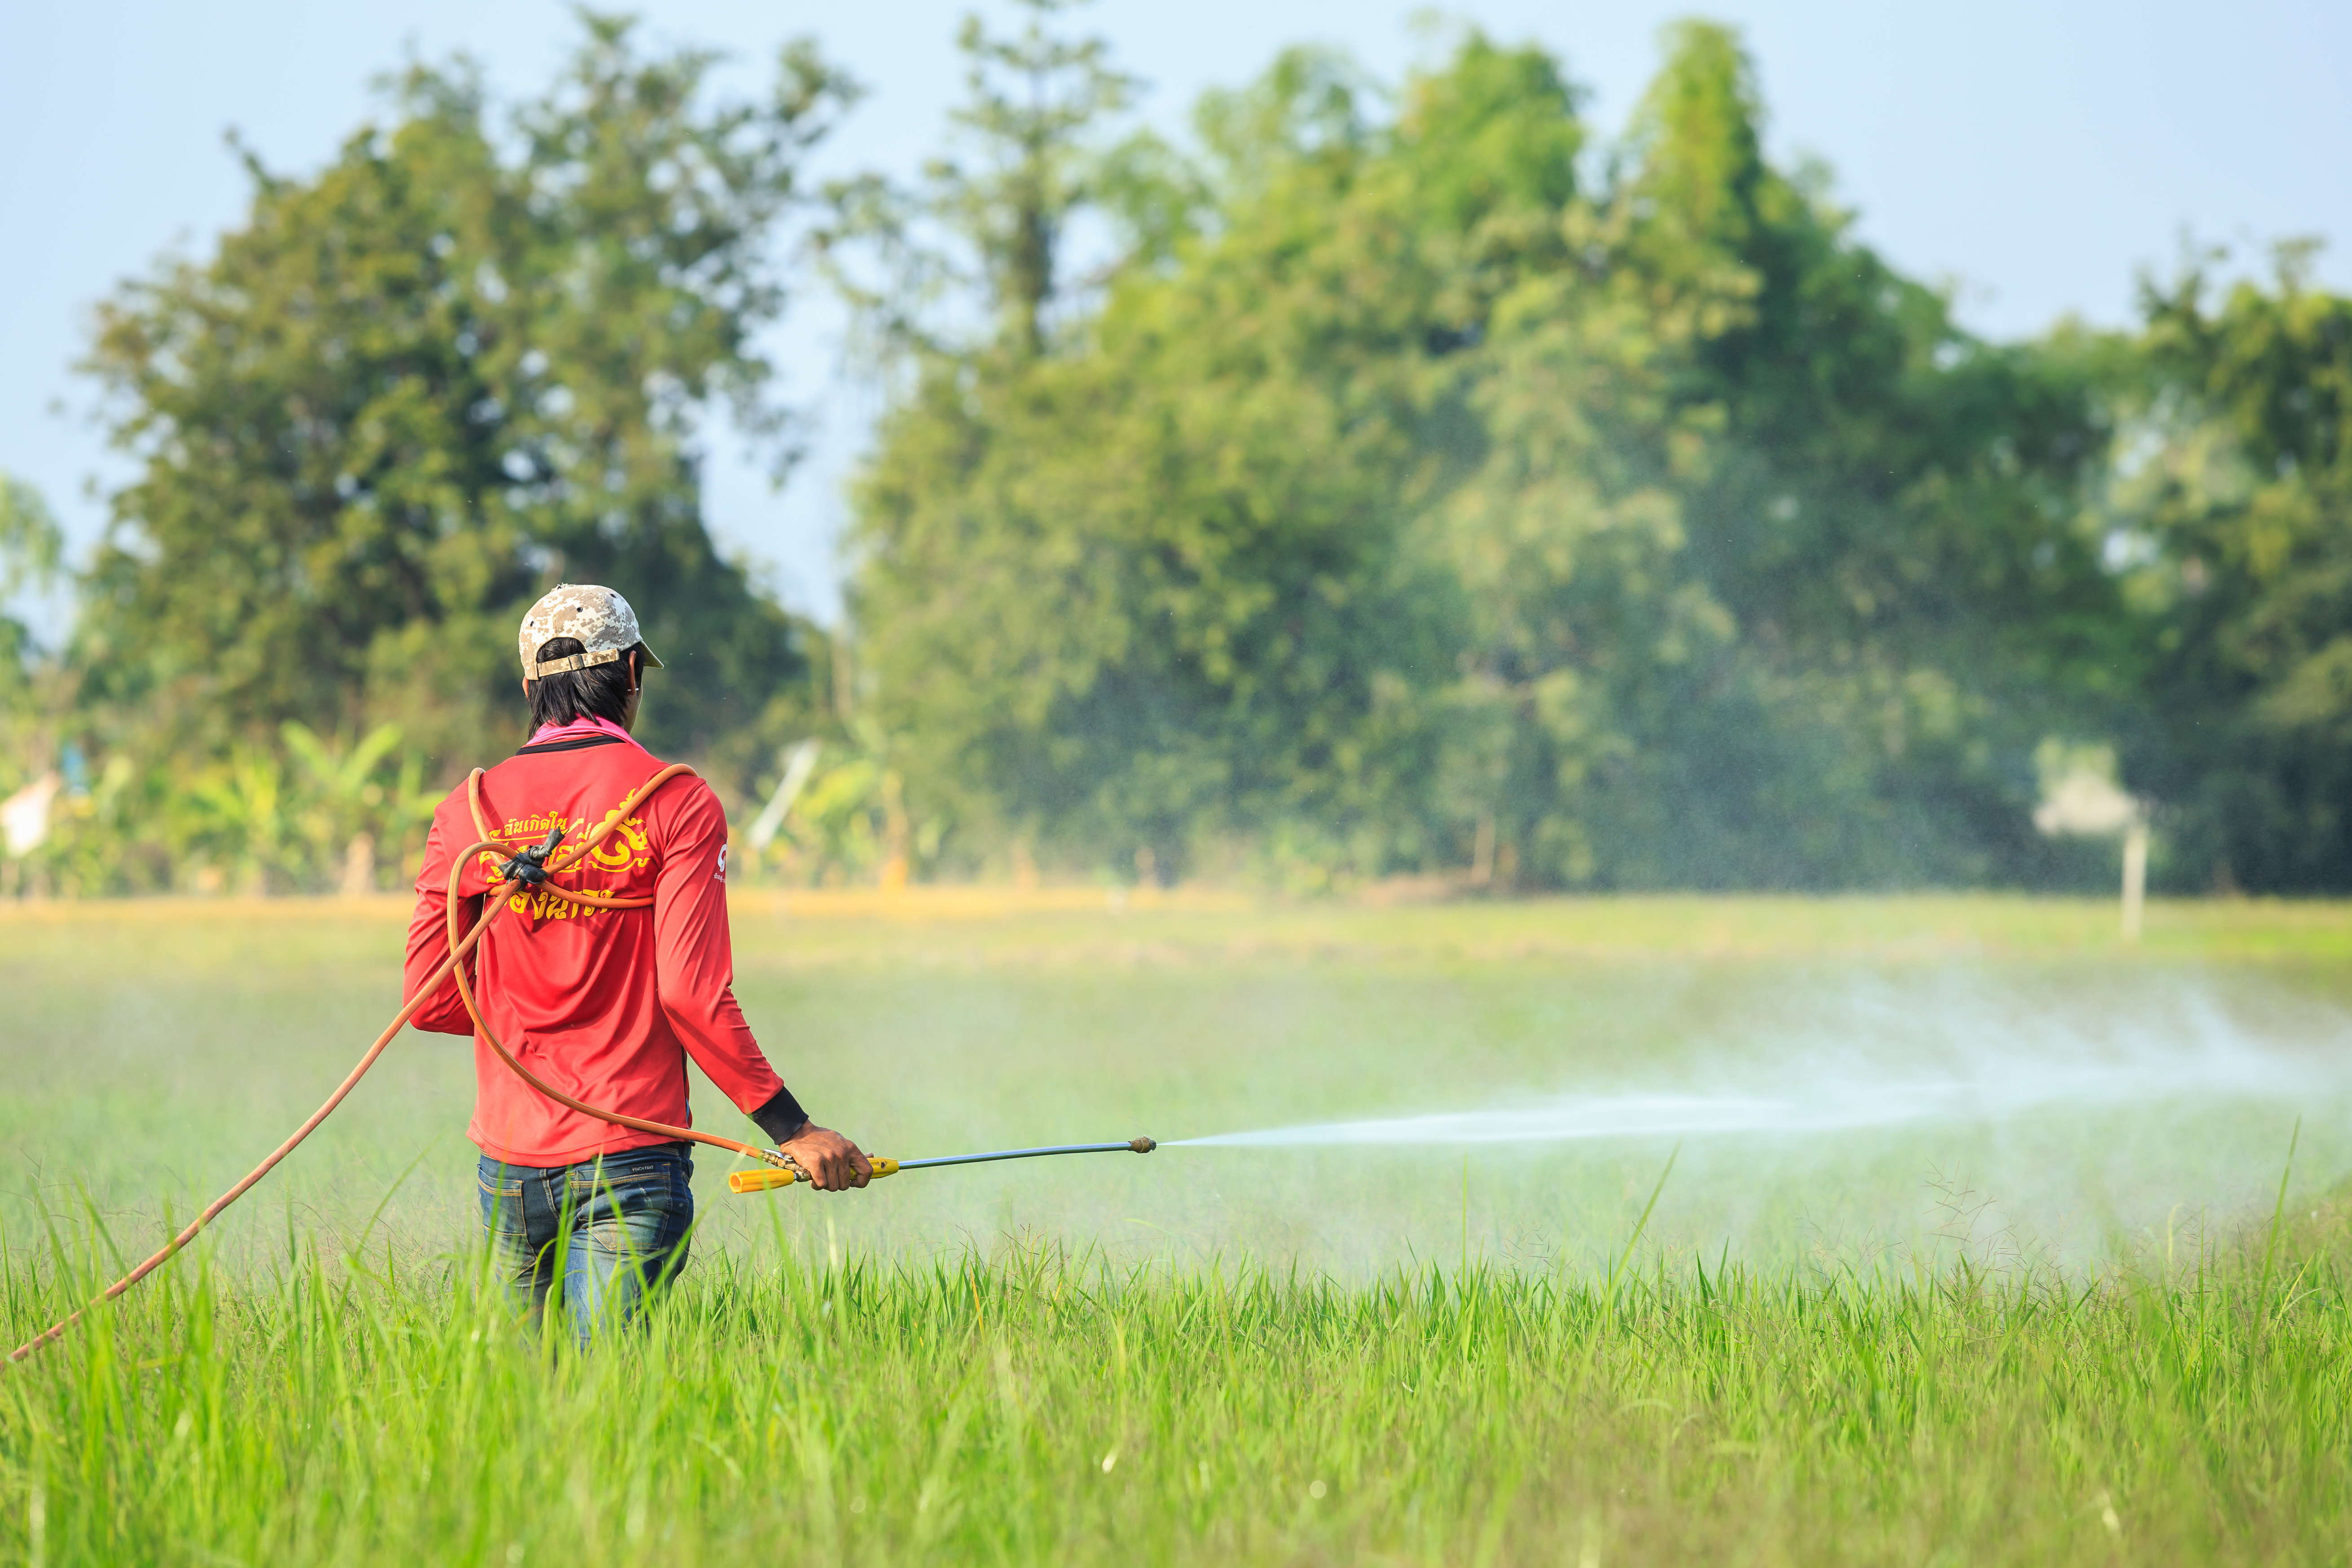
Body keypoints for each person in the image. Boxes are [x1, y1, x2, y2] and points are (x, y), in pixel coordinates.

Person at [404, 583, 869, 1343]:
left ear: (530, 690)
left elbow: (430, 1000)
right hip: (631, 1158)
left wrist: (533, 1010)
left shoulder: (469, 809)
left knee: (524, 1410)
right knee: (608, 1400)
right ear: (630, 677)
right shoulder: (676, 801)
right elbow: (692, 995)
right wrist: (793, 1128)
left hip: (509, 1164)